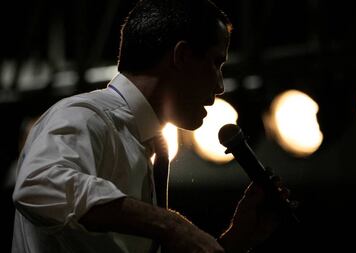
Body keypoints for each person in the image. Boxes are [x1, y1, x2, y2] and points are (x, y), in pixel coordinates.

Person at [12, 0, 282, 252]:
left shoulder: (147, 144)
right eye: (216, 62)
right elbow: (38, 184)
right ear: (182, 56)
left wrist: (233, 242)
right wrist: (171, 225)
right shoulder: (85, 116)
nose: (220, 86)